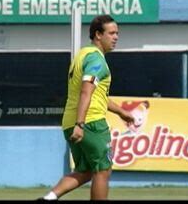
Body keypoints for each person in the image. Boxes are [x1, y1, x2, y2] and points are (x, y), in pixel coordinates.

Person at [37, 15, 134, 201]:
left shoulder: (82, 55)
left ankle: (49, 198)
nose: (116, 37)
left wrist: (121, 112)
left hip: (70, 121)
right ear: (98, 35)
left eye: (117, 33)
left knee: (85, 171)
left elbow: (98, 96)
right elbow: (85, 92)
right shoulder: (96, 60)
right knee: (102, 171)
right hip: (91, 123)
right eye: (111, 33)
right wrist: (80, 125)